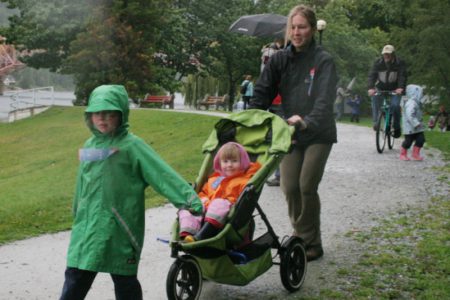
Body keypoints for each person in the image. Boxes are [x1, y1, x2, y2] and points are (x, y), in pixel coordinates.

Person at [59, 85, 203, 300]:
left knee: (124, 279)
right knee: (76, 275)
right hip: (87, 226)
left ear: (121, 114)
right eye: (97, 113)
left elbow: (161, 173)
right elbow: (82, 181)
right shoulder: (90, 145)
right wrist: (77, 210)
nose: (103, 119)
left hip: (119, 224)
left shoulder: (132, 146)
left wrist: (189, 200)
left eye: (110, 113)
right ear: (89, 115)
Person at [249, 4, 338, 262]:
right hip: (290, 131)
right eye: (293, 27)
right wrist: (253, 117)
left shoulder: (323, 61)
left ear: (311, 29)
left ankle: (309, 241)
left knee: (306, 185)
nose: (297, 32)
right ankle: (303, 236)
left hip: (318, 132)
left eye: (302, 27)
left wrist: (306, 121)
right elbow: (262, 92)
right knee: (289, 187)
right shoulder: (279, 59)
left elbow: (324, 101)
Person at [178, 142, 261, 243]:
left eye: (234, 161)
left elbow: (241, 199)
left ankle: (201, 236)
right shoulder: (215, 179)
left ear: (242, 162)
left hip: (227, 213)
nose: (229, 165)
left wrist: (219, 202)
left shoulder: (244, 180)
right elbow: (204, 192)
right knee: (189, 209)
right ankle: (187, 236)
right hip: (207, 209)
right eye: (225, 161)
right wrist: (204, 200)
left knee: (219, 203)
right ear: (220, 163)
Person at [368, 44, 407, 137]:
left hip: (395, 89)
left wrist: (400, 87)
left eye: (388, 54)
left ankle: (397, 126)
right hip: (381, 87)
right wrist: (370, 88)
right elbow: (372, 75)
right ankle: (376, 122)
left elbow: (403, 76)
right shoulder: (378, 62)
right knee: (375, 99)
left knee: (395, 106)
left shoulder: (399, 63)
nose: (386, 56)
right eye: (385, 54)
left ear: (393, 54)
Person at [400, 84, 426, 161]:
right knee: (408, 141)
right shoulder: (411, 102)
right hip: (410, 126)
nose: (421, 95)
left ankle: (415, 154)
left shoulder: (416, 102)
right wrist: (416, 123)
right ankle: (403, 154)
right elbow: (409, 114)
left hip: (417, 127)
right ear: (414, 93)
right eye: (420, 93)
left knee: (421, 139)